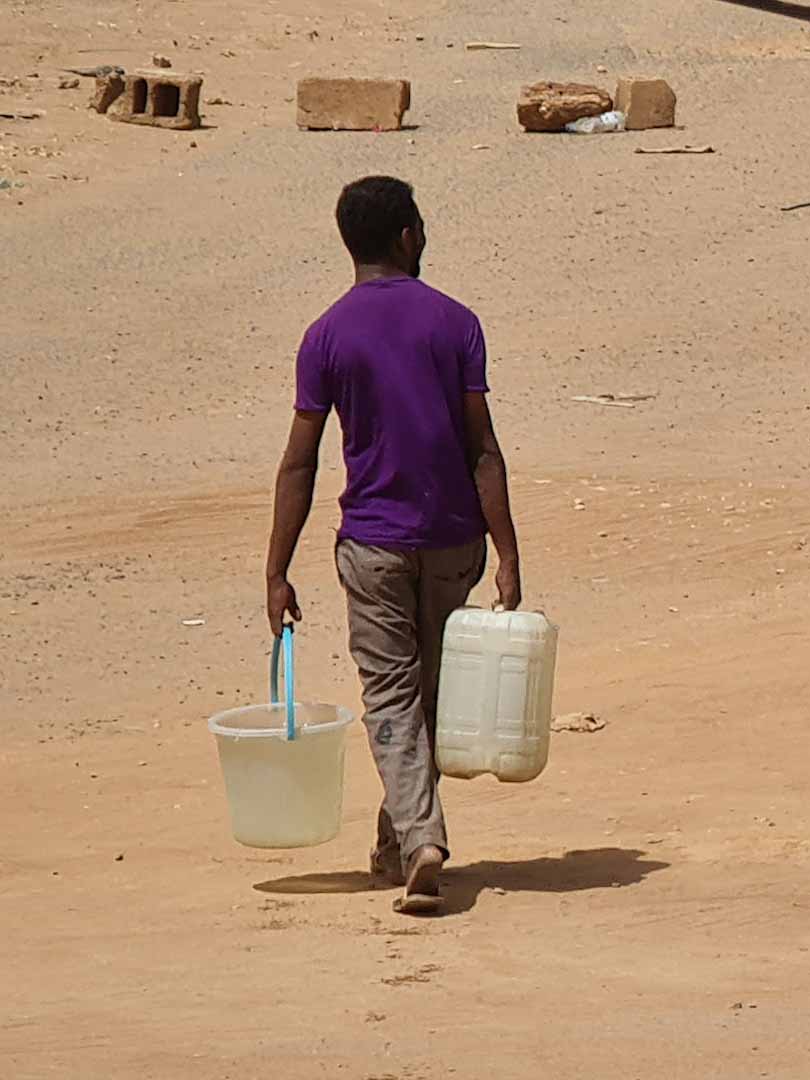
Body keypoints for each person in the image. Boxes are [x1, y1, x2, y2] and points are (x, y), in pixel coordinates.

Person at [264, 175, 522, 916]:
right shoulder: (457, 323)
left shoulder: (325, 336)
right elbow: (484, 449)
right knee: (430, 695)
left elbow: (299, 462)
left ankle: (416, 838)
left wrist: (275, 571)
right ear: (408, 235)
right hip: (452, 541)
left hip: (372, 545)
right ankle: (406, 841)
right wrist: (507, 551)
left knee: (391, 696)